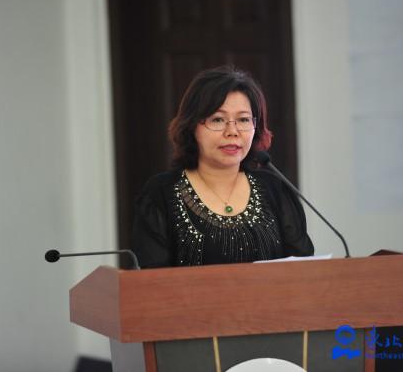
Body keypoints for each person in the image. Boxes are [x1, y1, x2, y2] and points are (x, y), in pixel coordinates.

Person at [132, 66, 314, 268]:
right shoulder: (160, 194)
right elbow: (151, 279)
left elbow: (304, 271)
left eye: (243, 119)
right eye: (218, 119)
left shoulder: (276, 190)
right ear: (192, 126)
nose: (232, 131)